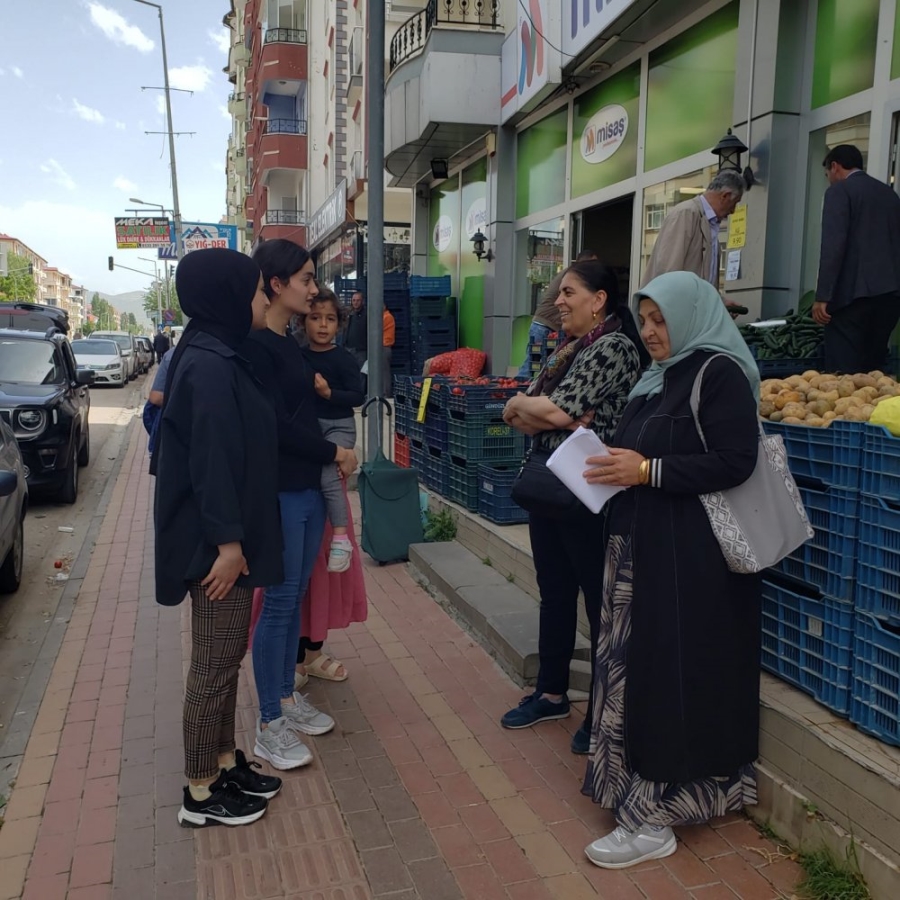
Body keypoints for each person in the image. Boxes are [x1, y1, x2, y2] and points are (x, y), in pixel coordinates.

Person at [580, 270, 762, 869]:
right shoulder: (656, 380)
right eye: (646, 320)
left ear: (691, 315)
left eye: (662, 320)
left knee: (666, 680)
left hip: (688, 567)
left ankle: (657, 818)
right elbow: (635, 455)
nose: (652, 332)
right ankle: (629, 793)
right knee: (634, 677)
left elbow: (736, 461)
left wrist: (646, 472)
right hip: (636, 553)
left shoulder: (720, 374)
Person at [153, 248, 284, 827]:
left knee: (228, 656)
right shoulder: (208, 363)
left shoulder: (219, 352)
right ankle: (200, 790)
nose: (263, 300)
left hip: (227, 538)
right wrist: (228, 545)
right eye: (257, 291)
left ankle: (225, 760)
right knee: (214, 662)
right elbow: (209, 461)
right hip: (215, 546)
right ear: (229, 297)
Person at [500, 262, 642, 754]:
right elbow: (520, 412)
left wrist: (545, 411)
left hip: (588, 492)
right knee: (554, 592)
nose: (558, 301)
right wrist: (533, 405)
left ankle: (603, 710)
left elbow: (554, 412)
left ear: (598, 299)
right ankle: (552, 693)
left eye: (567, 292)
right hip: (549, 487)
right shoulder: (567, 350)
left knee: (598, 602)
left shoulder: (614, 347)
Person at [244, 239, 358, 771]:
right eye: (307, 280)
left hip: (309, 488)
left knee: (295, 598)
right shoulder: (256, 347)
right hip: (283, 491)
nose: (313, 290)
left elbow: (313, 410)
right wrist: (335, 450)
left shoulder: (288, 343)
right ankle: (268, 722)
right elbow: (276, 429)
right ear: (276, 284)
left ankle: (286, 701)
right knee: (280, 602)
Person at [813, 144, 900, 373]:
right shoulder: (889, 195)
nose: (829, 180)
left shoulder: (840, 191)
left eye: (827, 175)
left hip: (851, 298)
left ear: (835, 166)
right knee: (873, 371)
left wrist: (823, 295)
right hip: (890, 297)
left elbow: (833, 245)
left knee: (843, 373)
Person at [300, 287, 365, 573]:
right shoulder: (297, 355)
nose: (323, 325)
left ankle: (341, 536)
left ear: (339, 324)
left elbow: (357, 397)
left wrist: (329, 394)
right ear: (303, 322)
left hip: (339, 425)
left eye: (330, 319)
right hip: (310, 427)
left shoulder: (344, 359)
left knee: (329, 474)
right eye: (315, 318)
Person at [642, 170, 745, 289]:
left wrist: (717, 300)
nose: (733, 211)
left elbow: (706, 278)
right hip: (678, 305)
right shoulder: (686, 214)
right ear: (725, 196)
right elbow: (668, 271)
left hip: (693, 304)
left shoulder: (709, 223)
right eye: (734, 203)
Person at [516, 250, 598, 379]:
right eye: (592, 263)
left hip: (545, 325)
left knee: (539, 365)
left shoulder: (570, 275)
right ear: (583, 263)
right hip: (545, 325)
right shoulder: (573, 276)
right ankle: (517, 390)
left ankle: (521, 390)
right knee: (533, 365)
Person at [344, 291, 368, 370]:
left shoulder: (367, 314)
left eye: (358, 300)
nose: (355, 302)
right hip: (348, 349)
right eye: (354, 300)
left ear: (362, 301)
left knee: (361, 374)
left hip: (361, 351)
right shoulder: (349, 314)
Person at [382, 306, 396, 397]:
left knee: (384, 372)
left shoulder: (387, 317)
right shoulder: (384, 316)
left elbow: (375, 328)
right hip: (382, 346)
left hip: (384, 346)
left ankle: (386, 393)